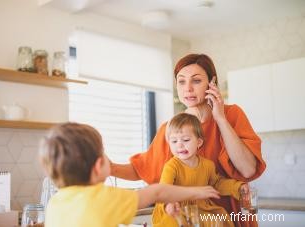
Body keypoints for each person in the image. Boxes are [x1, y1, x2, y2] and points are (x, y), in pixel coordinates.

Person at [110, 53, 266, 227]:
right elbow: (143, 168)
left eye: (196, 81)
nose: (188, 88)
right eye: (181, 81)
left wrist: (220, 119)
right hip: (184, 218)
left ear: (211, 82)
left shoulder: (232, 115)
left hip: (225, 217)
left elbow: (248, 170)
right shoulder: (171, 128)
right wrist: (110, 168)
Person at [39, 122, 220, 227]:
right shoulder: (104, 198)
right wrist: (198, 192)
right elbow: (158, 192)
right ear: (98, 165)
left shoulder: (56, 202)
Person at [152, 113, 248, 227]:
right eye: (174, 141)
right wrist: (169, 204)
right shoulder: (171, 166)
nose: (180, 145)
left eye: (186, 140)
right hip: (176, 208)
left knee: (217, 221)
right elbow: (164, 189)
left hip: (200, 208)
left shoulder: (207, 165)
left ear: (199, 142)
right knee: (175, 222)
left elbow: (217, 184)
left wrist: (238, 187)